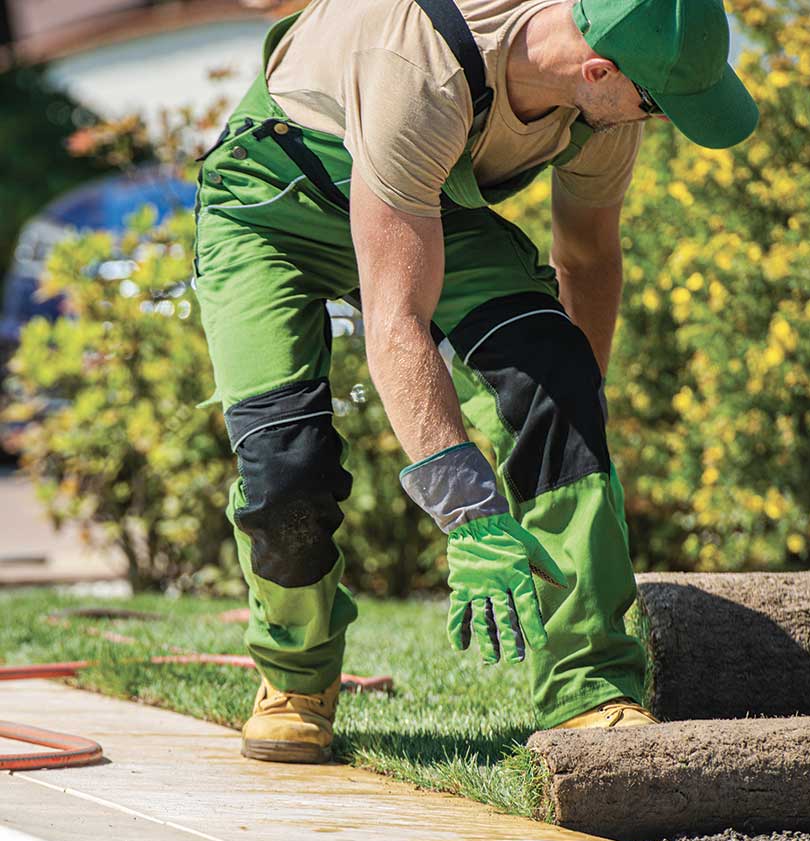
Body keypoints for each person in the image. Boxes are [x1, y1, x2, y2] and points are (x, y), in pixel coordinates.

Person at [192, 0, 758, 764]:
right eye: (654, 103)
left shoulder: (599, 114)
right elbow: (397, 319)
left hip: (427, 202)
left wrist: (570, 420)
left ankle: (591, 686)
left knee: (556, 379)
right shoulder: (418, 71)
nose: (653, 121)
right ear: (598, 70)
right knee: (285, 463)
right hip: (270, 208)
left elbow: (586, 261)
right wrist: (469, 511)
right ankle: (295, 676)